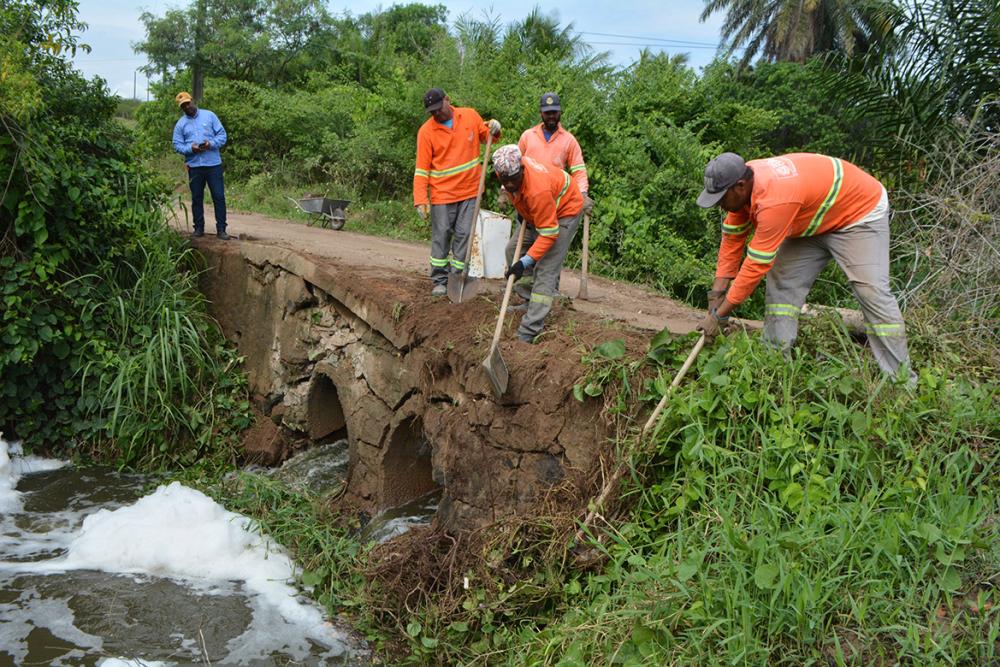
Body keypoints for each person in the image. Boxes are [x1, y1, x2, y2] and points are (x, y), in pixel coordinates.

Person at [695, 151, 914, 379]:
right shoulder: (742, 189)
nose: (720, 205)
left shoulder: (775, 199)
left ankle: (900, 382)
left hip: (858, 213)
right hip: (812, 215)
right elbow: (732, 241)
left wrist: (719, 316)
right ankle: (774, 367)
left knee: (871, 293)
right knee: (783, 282)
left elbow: (754, 267)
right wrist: (716, 296)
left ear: (739, 186)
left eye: (721, 198)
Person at [413, 88, 501, 296]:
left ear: (447, 100)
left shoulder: (469, 115)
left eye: (438, 109)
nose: (436, 114)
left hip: (470, 191)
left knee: (464, 235)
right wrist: (420, 199)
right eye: (432, 112)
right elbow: (421, 170)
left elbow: (488, 136)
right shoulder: (426, 132)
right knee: (441, 235)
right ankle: (439, 280)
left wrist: (494, 129)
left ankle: (457, 276)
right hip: (442, 194)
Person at [492, 145, 583, 343]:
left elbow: (549, 233)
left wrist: (525, 262)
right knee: (511, 251)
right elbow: (509, 183)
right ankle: (528, 300)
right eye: (504, 179)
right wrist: (516, 200)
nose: (509, 183)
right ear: (498, 174)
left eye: (514, 179)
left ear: (522, 170)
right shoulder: (510, 173)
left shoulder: (537, 191)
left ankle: (530, 329)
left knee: (545, 269)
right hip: (535, 213)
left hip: (563, 213)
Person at [172, 92, 230, 240]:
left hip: (213, 164)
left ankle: (222, 229)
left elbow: (222, 136)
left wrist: (210, 144)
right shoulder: (180, 124)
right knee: (197, 197)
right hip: (194, 166)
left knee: (218, 196)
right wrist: (190, 148)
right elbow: (177, 145)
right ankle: (198, 228)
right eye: (183, 106)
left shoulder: (210, 116)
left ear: (192, 100)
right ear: (181, 108)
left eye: (188, 103)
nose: (187, 107)